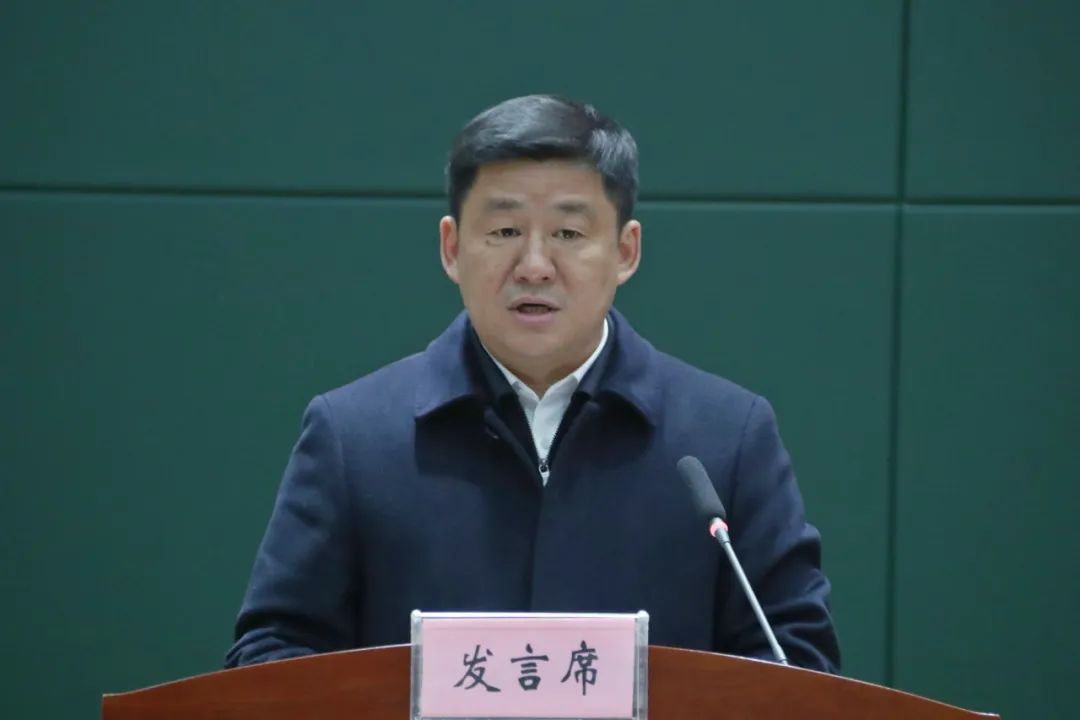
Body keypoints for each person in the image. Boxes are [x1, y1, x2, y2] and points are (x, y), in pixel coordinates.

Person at [225, 94, 841, 672]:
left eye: (569, 234)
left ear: (626, 251)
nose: (535, 266)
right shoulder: (354, 437)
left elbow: (796, 665)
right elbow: (273, 655)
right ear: (451, 247)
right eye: (504, 232)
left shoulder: (725, 439)